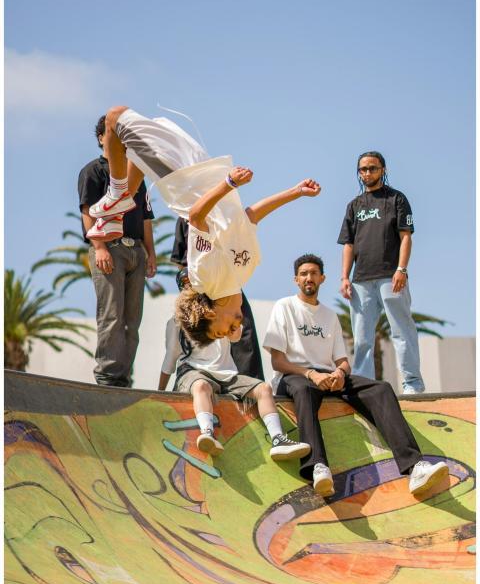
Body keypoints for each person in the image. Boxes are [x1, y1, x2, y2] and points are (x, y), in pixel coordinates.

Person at [87, 105, 320, 345]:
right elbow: (250, 216)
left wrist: (229, 183)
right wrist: (295, 192)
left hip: (180, 178)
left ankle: (117, 198)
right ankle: (121, 205)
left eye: (222, 332)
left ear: (210, 314)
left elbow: (196, 216)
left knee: (114, 117)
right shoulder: (244, 273)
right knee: (138, 143)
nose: (233, 330)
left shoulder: (206, 281)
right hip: (203, 171)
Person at [263, 254, 448, 497]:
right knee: (304, 389)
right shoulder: (284, 306)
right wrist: (310, 374)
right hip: (294, 375)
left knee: (380, 389)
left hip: (328, 376)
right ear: (296, 279)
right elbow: (278, 361)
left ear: (322, 278)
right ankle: (317, 466)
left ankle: (415, 467)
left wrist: (339, 373)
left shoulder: (329, 316)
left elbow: (342, 360)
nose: (309, 277)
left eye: (314, 273)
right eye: (304, 273)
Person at [159, 310, 310, 462]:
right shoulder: (178, 319)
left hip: (226, 374)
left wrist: (232, 319)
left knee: (264, 389)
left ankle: (278, 439)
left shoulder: (222, 309)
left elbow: (236, 337)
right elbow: (171, 356)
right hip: (193, 370)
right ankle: (207, 433)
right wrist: (160, 392)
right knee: (201, 386)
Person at [78, 115, 157, 387]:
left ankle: (124, 378)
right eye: (114, 135)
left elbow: (146, 218)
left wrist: (150, 254)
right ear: (103, 138)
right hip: (109, 249)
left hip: (136, 249)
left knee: (132, 321)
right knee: (111, 316)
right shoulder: (93, 171)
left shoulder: (136, 174)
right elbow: (88, 212)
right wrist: (98, 247)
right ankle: (108, 377)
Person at [337, 151, 425, 395]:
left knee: (401, 331)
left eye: (372, 168)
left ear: (383, 170)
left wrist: (401, 269)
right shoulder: (354, 205)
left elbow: (406, 236)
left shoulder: (396, 199)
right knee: (362, 338)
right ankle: (365, 387)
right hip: (361, 280)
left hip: (391, 276)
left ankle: (412, 384)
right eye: (363, 169)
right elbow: (348, 244)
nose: (367, 173)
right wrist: (345, 276)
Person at [170, 217, 264, 379]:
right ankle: (203, 377)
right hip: (197, 287)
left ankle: (250, 383)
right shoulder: (184, 217)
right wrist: (189, 290)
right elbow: (181, 262)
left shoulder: (222, 215)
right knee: (202, 333)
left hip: (225, 283)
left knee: (243, 328)